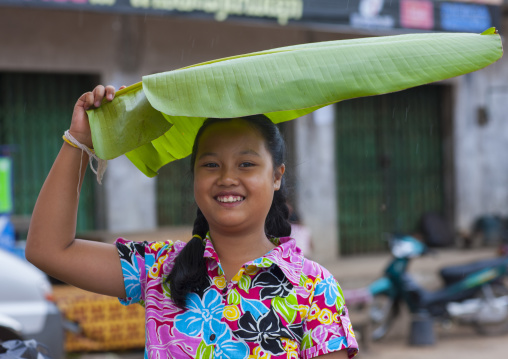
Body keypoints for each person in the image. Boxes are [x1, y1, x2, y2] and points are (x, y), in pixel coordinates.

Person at [26, 85, 358, 358]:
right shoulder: (160, 268)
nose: (227, 178)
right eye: (211, 165)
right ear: (194, 177)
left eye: (246, 164)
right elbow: (49, 250)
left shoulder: (314, 288)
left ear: (276, 176)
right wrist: (79, 141)